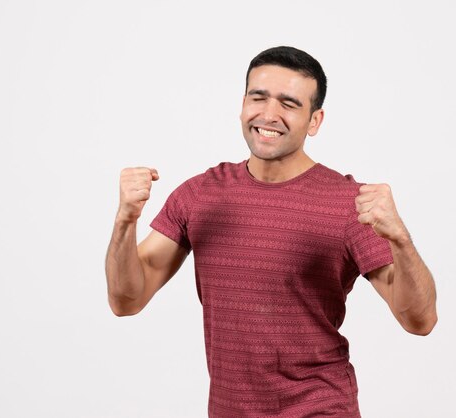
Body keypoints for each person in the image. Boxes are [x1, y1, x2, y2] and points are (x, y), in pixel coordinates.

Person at [105, 46, 437, 417]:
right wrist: (125, 222)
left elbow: (419, 320)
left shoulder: (349, 204)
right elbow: (126, 300)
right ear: (243, 103)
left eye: (289, 104)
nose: (269, 114)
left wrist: (400, 240)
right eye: (258, 97)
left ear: (315, 121)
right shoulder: (200, 194)